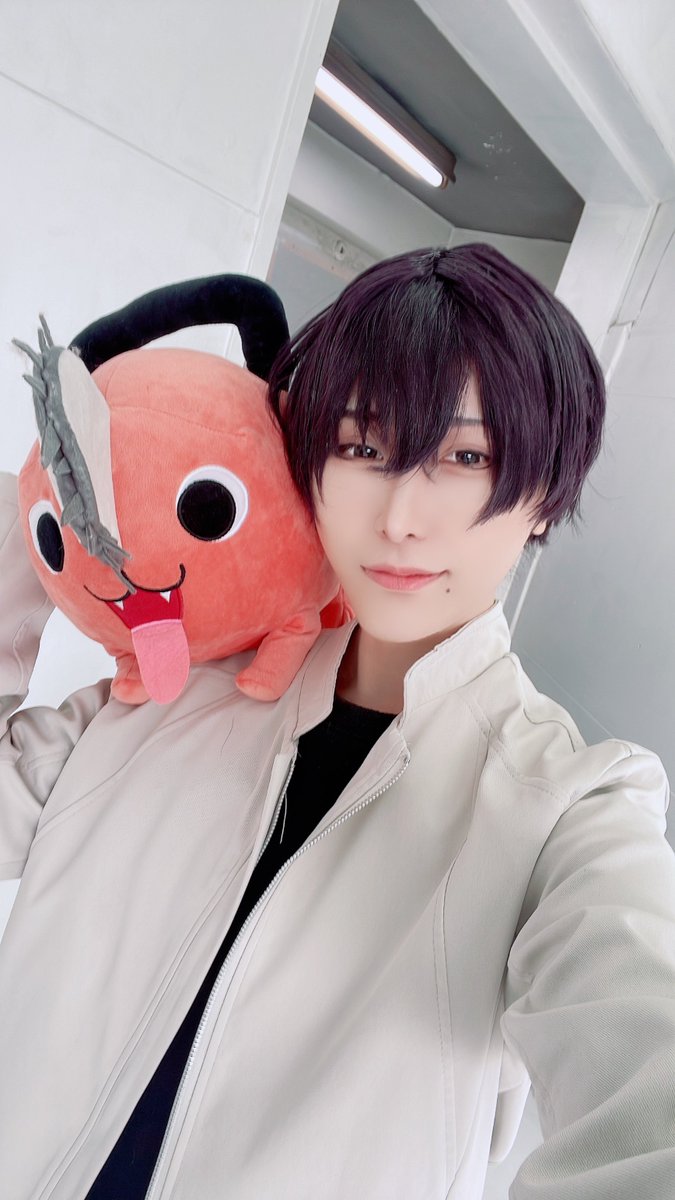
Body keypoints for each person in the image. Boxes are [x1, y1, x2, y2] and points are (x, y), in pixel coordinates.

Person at [1, 243, 674, 1199]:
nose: (400, 516)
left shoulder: (565, 809)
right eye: (361, 447)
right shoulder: (169, 693)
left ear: (543, 497)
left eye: (466, 456)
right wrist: (35, 525)